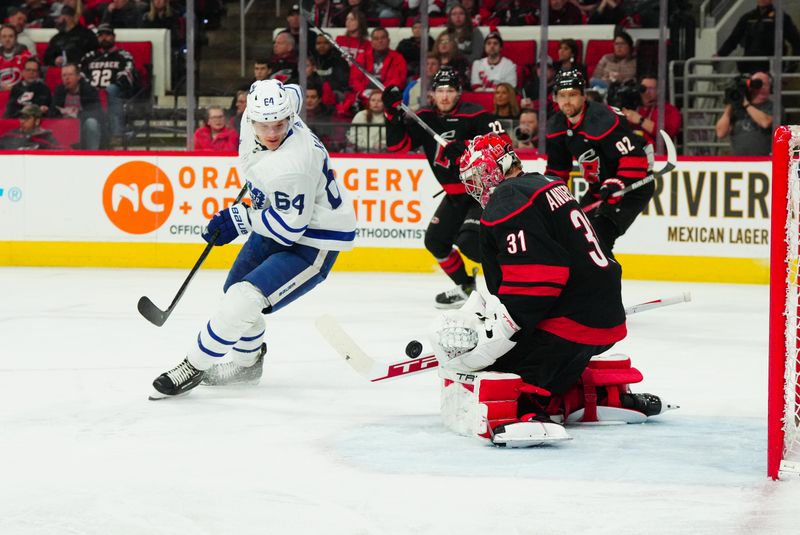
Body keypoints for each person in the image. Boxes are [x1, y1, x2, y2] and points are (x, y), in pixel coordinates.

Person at [432, 133, 665, 447]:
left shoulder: (509, 196)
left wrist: (503, 328)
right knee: (537, 359)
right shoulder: (547, 183)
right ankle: (589, 395)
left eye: (478, 176)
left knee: (498, 370)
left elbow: (539, 279)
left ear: (495, 168)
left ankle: (532, 409)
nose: (475, 186)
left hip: (570, 324)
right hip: (602, 317)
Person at [150, 80, 356, 399]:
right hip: (280, 216)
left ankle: (192, 366)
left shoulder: (293, 164)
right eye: (264, 125)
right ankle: (247, 365)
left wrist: (237, 219)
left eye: (280, 125)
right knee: (233, 290)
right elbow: (293, 90)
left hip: (314, 238)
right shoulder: (272, 107)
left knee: (243, 300)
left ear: (289, 118)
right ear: (249, 115)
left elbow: (290, 229)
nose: (272, 133)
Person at [383, 66, 509, 308]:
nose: (444, 96)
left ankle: (512, 283)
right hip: (454, 197)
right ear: (433, 94)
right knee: (435, 241)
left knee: (470, 242)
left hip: (481, 193)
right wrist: (391, 113)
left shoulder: (477, 116)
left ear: (459, 93)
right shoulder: (426, 119)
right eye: (440, 90)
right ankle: (466, 287)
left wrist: (468, 147)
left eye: (450, 90)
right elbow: (396, 146)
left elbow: (504, 145)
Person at [545, 68, 651, 254]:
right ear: (555, 98)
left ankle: (605, 282)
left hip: (632, 188)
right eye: (562, 95)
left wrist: (617, 184)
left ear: (583, 95)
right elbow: (557, 172)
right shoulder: (556, 126)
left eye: (573, 95)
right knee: (574, 236)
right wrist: (547, 198)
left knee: (599, 239)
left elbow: (635, 158)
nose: (567, 101)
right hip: (598, 191)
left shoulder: (602, 119)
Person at [80, 24, 138, 137]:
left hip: (115, 91)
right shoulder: (89, 57)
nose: (104, 38)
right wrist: (90, 87)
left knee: (111, 90)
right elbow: (81, 73)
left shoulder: (123, 55)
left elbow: (128, 72)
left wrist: (111, 86)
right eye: (101, 35)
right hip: (91, 92)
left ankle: (117, 133)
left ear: (114, 37)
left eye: (107, 35)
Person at [338, 27, 407, 117]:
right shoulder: (362, 57)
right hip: (364, 95)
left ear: (388, 40)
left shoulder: (398, 58)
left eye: (383, 38)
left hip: (386, 95)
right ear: (372, 42)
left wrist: (381, 92)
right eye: (376, 39)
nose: (380, 41)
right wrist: (363, 92)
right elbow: (354, 79)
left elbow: (399, 80)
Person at [716, 0, 800, 74]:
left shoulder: (781, 18)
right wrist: (720, 54)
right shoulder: (748, 18)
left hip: (772, 69)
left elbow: (796, 41)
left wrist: (791, 67)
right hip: (749, 67)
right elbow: (733, 39)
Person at [715, 71, 774, 156]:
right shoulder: (737, 108)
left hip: (764, 162)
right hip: (740, 163)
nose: (758, 86)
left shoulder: (772, 106)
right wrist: (730, 105)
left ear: (769, 87)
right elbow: (720, 133)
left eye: (761, 83)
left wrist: (746, 105)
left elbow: (765, 123)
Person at [50, 62, 104, 149]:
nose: (67, 78)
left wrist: (77, 115)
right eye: (64, 75)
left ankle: (92, 155)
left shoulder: (89, 90)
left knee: (91, 123)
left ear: (78, 77)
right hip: (65, 128)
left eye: (70, 75)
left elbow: (97, 113)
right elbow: (52, 111)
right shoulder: (59, 90)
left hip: (83, 128)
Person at [620, 74, 682, 148]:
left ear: (659, 90)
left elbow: (667, 133)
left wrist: (641, 120)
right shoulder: (637, 108)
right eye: (643, 89)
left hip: (658, 155)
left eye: (651, 89)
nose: (647, 92)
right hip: (635, 153)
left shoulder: (669, 110)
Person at [0, 23, 32, 92]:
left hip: (20, 96)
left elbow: (32, 83)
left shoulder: (27, 57)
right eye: (4, 36)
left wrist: (13, 89)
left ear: (16, 38)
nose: (7, 39)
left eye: (10, 36)